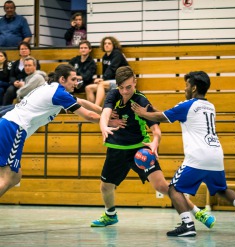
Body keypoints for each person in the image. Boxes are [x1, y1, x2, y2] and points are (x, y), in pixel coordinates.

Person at [91, 66, 215, 229]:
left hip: (139, 149)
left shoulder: (141, 101)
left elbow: (156, 130)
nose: (125, 91)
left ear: (135, 82)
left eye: (129, 87)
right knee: (105, 187)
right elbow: (105, 113)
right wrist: (103, 126)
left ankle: (198, 212)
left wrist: (155, 141)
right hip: (116, 149)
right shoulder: (114, 94)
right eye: (121, 88)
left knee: (162, 186)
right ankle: (110, 215)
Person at [131, 71, 235, 237]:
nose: (185, 89)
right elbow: (171, 113)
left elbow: (164, 117)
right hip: (215, 154)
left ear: (193, 88)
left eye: (187, 85)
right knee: (222, 189)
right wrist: (151, 110)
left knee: (173, 189)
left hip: (198, 156)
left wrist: (143, 114)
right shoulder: (210, 106)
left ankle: (187, 225)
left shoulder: (188, 105)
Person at [0, 64, 108, 198]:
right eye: (73, 79)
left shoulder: (52, 88)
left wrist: (105, 112)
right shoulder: (58, 93)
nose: (76, 83)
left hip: (8, 125)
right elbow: (89, 116)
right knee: (8, 177)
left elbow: (83, 102)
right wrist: (110, 121)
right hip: (14, 129)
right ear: (62, 79)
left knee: (15, 176)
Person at [85, 36, 129, 106]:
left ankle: (96, 108)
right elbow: (105, 72)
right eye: (105, 43)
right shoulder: (105, 57)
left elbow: (112, 69)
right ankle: (91, 111)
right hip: (110, 82)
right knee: (88, 88)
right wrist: (102, 79)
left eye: (109, 43)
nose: (106, 45)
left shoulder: (117, 54)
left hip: (121, 82)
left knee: (101, 84)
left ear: (113, 45)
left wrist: (102, 79)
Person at [2, 41, 40, 105]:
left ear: (29, 51)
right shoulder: (15, 63)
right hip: (17, 84)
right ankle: (4, 110)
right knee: (10, 90)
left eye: (25, 49)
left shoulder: (35, 63)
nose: (24, 50)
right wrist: (14, 82)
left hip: (29, 84)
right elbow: (11, 76)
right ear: (19, 51)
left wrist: (25, 83)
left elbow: (36, 75)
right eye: (22, 49)